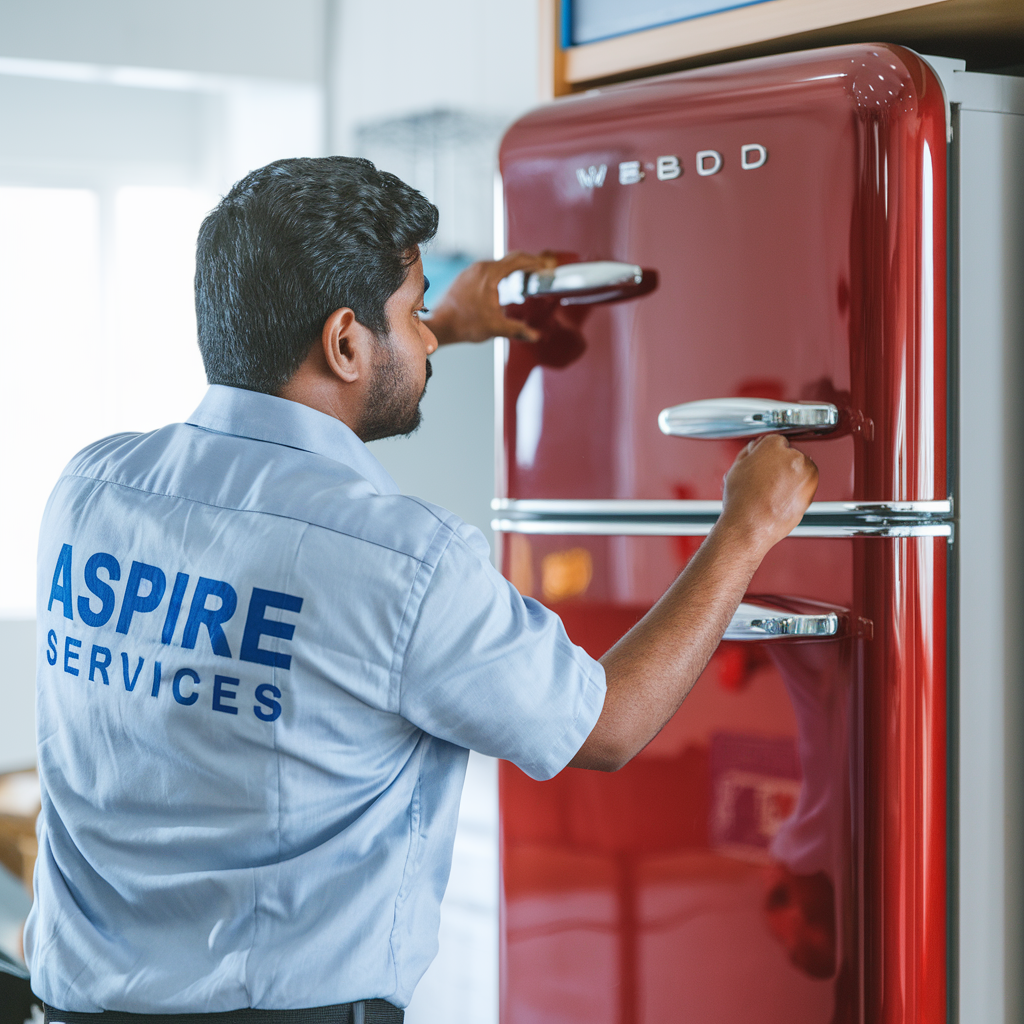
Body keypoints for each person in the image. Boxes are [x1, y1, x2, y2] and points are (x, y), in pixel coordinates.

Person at [27, 156, 817, 1021]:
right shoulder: (405, 560)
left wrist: (431, 322)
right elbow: (608, 726)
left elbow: (281, 462)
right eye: (414, 315)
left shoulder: (91, 487)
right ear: (344, 341)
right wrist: (745, 530)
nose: (431, 337)